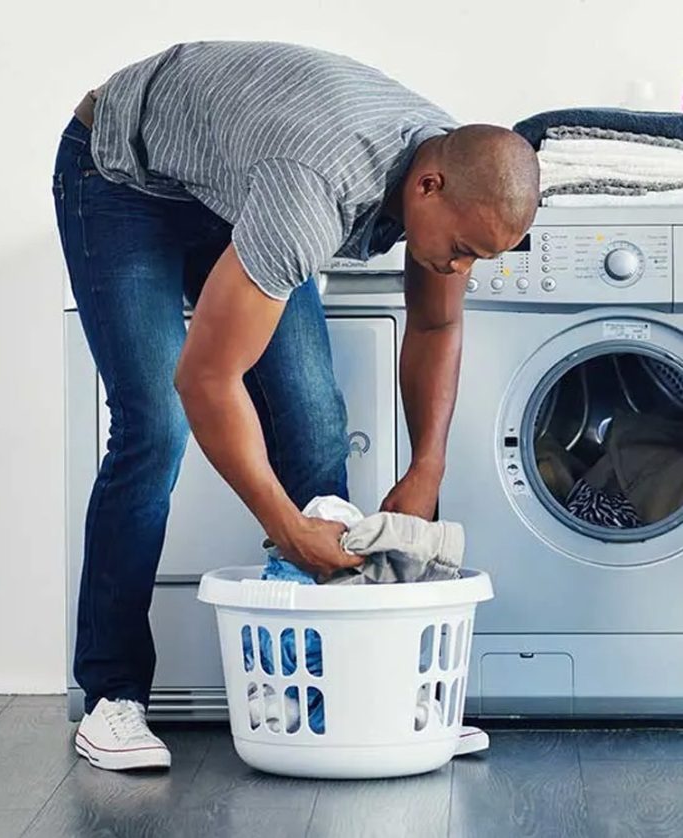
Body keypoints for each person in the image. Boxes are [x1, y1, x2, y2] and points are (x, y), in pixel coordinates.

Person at [51, 40, 539, 771]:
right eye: (463, 249)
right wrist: (285, 526)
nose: (463, 266)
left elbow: (437, 322)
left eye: (483, 257)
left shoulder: (454, 168)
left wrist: (428, 465)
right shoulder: (313, 189)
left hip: (236, 182)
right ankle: (112, 697)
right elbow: (206, 380)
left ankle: (333, 687)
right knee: (154, 425)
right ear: (428, 187)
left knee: (313, 425)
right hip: (121, 174)